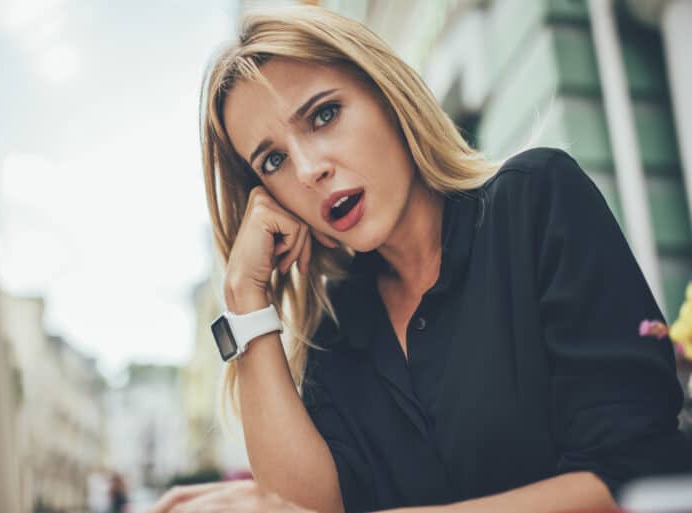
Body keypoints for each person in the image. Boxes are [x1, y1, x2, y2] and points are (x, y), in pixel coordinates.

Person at [150, 5, 692, 513]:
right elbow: (305, 508)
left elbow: (627, 475)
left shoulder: (536, 200)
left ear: (389, 96)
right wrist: (245, 298)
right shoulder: (332, 334)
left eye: (324, 115)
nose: (309, 169)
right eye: (273, 161)